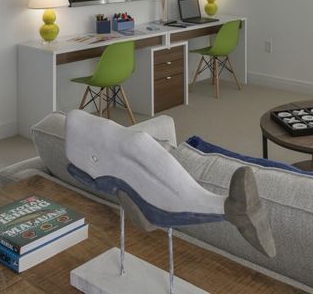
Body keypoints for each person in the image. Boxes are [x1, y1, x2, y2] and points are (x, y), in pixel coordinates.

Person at [65, 109, 275, 257]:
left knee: (137, 145)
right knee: (137, 147)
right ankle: (233, 210)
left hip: (106, 158)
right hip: (107, 165)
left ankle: (231, 209)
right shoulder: (98, 163)